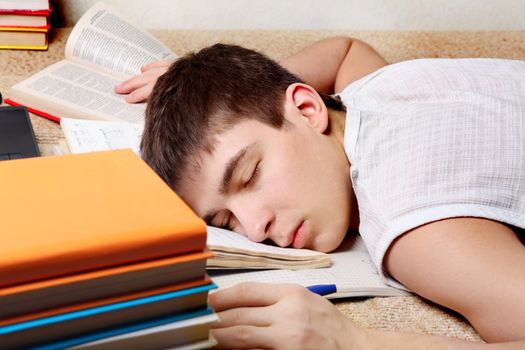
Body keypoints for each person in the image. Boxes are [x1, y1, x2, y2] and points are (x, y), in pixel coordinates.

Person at [115, 37, 525, 349]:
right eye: (226, 220)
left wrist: (354, 340)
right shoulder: (376, 87)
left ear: (308, 109)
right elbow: (343, 50)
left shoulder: (415, 227)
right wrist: (209, 91)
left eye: (250, 174)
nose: (256, 228)